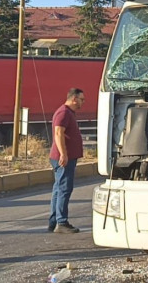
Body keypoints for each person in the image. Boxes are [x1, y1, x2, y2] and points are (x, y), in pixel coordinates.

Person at [48, 88, 86, 234]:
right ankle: (61, 222)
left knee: (58, 189)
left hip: (64, 158)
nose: (83, 102)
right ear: (74, 99)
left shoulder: (67, 112)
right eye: (82, 99)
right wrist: (64, 154)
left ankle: (54, 221)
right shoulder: (63, 112)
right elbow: (58, 133)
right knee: (64, 189)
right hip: (63, 159)